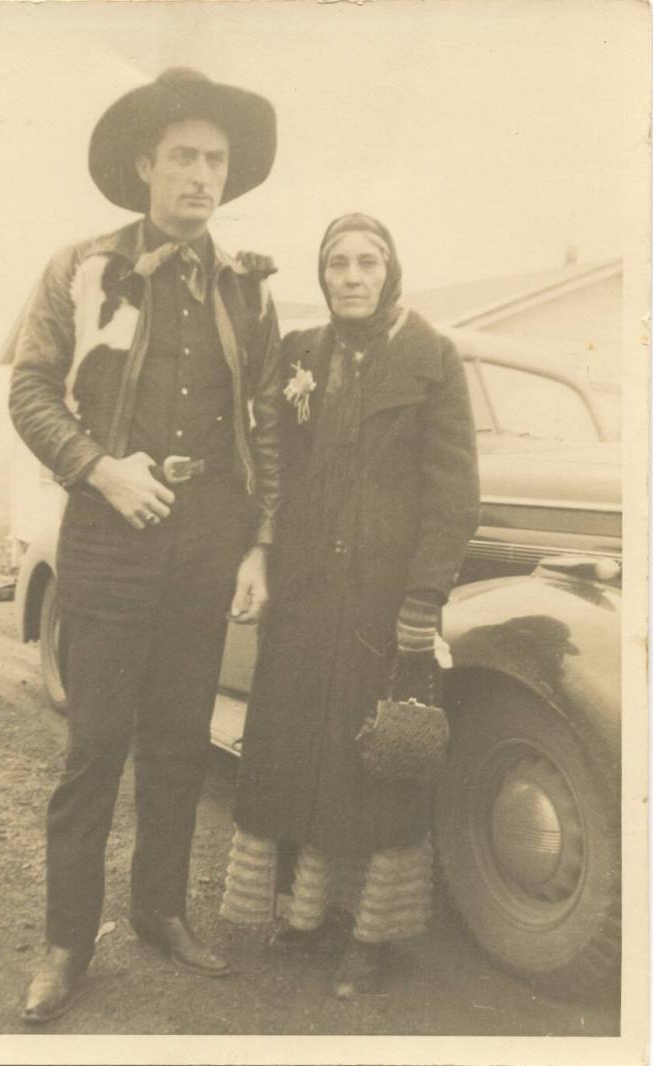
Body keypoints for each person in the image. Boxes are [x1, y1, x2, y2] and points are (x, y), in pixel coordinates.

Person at [7, 68, 282, 1023]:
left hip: (208, 542)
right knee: (96, 746)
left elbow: (265, 428)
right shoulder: (82, 270)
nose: (202, 175)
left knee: (178, 743)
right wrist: (99, 468)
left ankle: (161, 911)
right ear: (145, 166)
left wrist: (257, 546)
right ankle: (66, 944)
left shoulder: (248, 290)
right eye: (184, 158)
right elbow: (31, 389)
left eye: (217, 160)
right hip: (108, 531)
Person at [221, 213, 479, 997]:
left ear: (390, 269)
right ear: (323, 273)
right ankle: (305, 918)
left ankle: (372, 937)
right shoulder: (302, 353)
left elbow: (453, 493)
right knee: (299, 746)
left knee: (375, 759)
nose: (352, 276)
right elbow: (268, 457)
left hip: (383, 596)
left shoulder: (432, 358)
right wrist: (260, 553)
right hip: (303, 590)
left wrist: (423, 597)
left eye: (368, 262)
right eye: (337, 263)